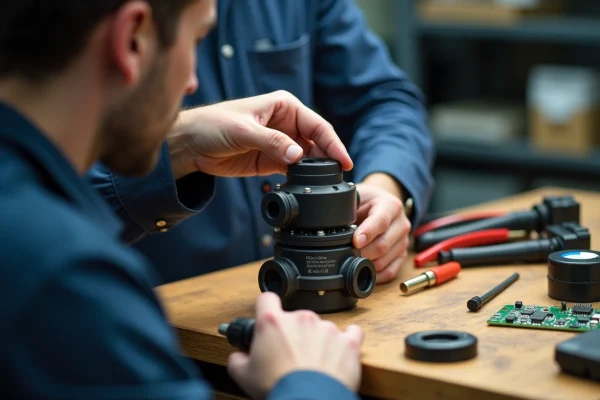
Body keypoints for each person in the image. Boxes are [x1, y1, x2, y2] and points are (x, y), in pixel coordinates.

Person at [0, 1, 364, 399]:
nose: (192, 84)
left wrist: (180, 145)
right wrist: (311, 382)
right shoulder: (69, 279)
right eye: (196, 39)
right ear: (133, 39)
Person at [89, 0, 435, 285]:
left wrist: (385, 188)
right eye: (193, 41)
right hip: (159, 320)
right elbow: (51, 182)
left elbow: (385, 101)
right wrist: (175, 145)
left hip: (295, 317)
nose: (191, 83)